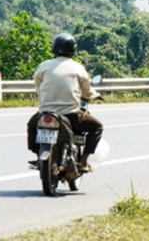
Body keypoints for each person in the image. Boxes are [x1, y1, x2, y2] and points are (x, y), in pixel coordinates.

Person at [26, 32, 104, 172]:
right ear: (72, 50)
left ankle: (39, 156)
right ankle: (84, 161)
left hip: (45, 113)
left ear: (54, 49)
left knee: (32, 125)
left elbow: (38, 86)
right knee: (97, 127)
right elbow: (86, 90)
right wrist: (95, 95)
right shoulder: (77, 67)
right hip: (71, 114)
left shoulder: (44, 66)